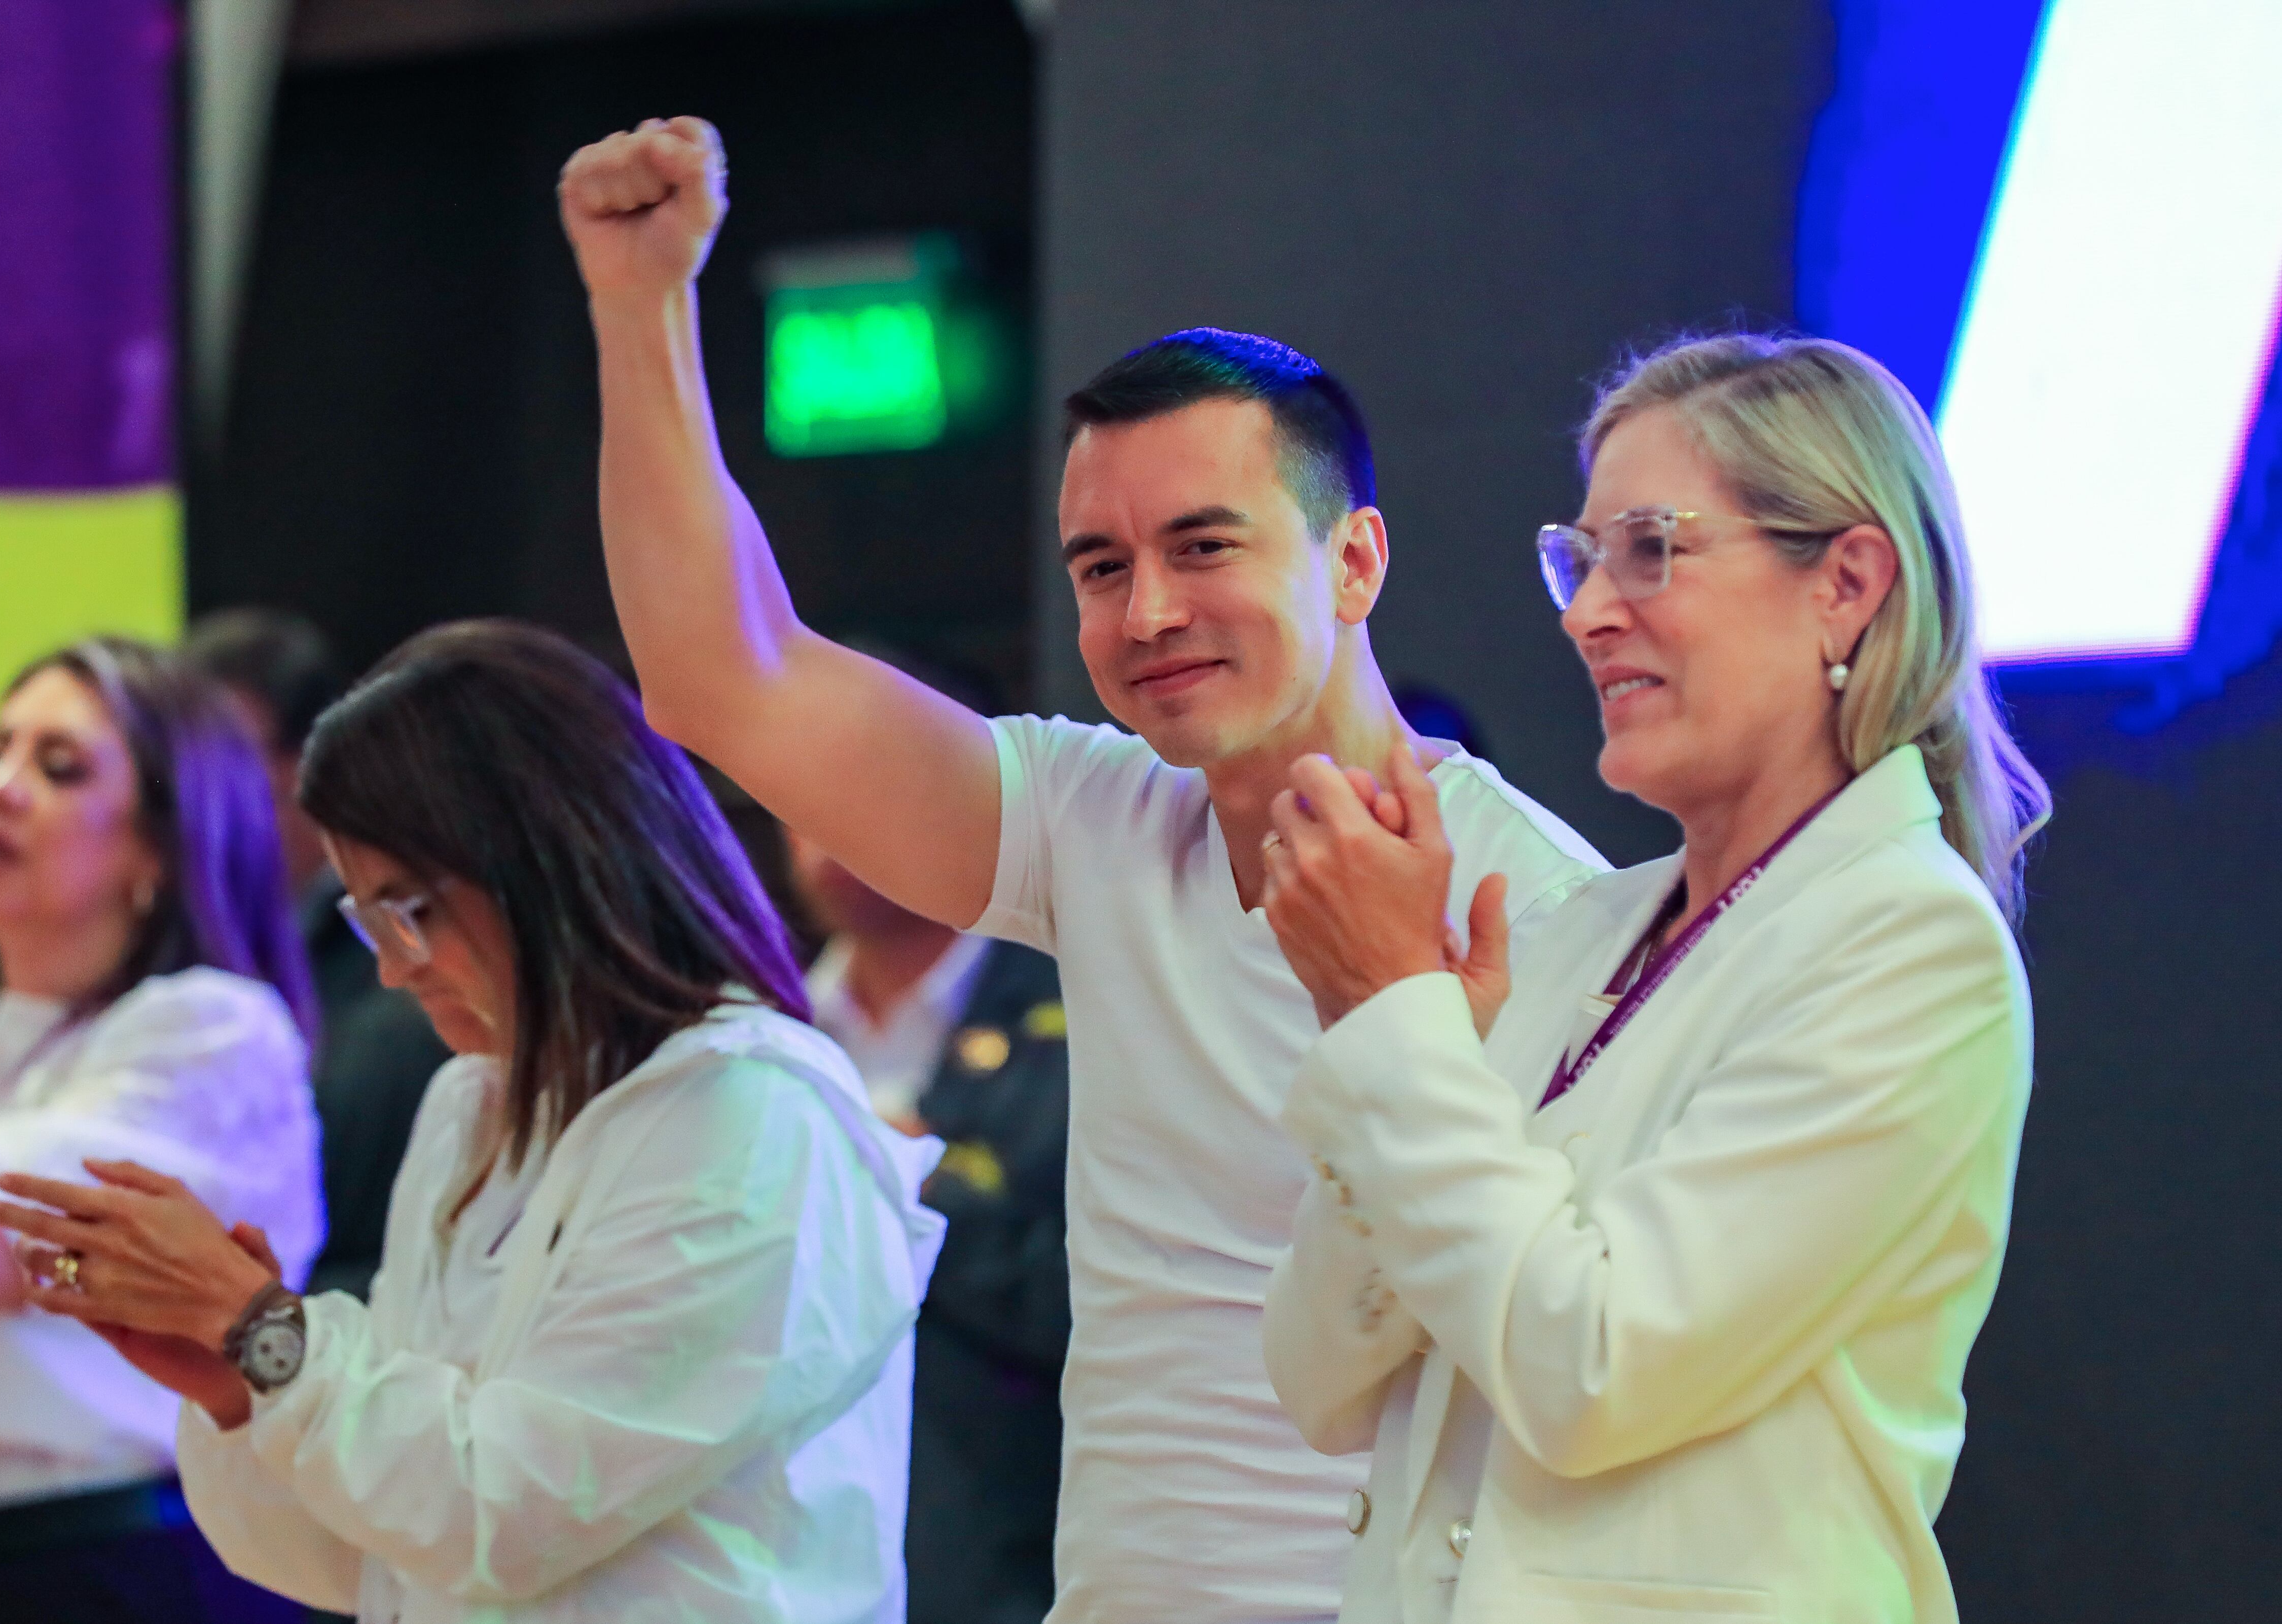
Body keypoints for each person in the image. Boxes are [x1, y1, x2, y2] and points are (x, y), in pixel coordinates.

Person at [554, 117, 1606, 1622]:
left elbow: (1594, 1358)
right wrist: (640, 301)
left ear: (1355, 560)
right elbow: (727, 676)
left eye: (1203, 545)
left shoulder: (1536, 898)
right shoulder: (1097, 813)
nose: (1148, 609)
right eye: (1102, 568)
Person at [1257, 334, 2046, 1621]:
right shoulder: (1578, 926)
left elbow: (1592, 1371)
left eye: (1650, 549)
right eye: (1579, 560)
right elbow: (1315, 1378)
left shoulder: (1914, 947)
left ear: (1843, 582)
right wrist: (1389, 1029)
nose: (1584, 610)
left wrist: (1397, 1022)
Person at [0, 621, 947, 1624]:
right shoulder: (472, 1103)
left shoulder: (751, 1114)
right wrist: (238, 1390)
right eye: (365, 922)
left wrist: (263, 1331)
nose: (394, 969)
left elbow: (505, 1513)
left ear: (548, 857)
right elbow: (380, 1558)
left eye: (411, 911)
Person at [0, 637, 322, 1624]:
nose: (2, 789)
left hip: (113, 1564)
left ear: (157, 844)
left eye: (58, 768)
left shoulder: (212, 1033)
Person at [790, 817, 1069, 1624]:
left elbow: (1104, 1295)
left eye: (844, 786)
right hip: (798, 1551)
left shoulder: (1077, 1001)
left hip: (1007, 1544)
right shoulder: (764, 1017)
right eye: (796, 794)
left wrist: (912, 1180)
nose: (821, 825)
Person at [185, 608, 449, 1301]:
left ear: (306, 766)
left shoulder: (406, 992)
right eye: (174, 769)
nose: (194, 799)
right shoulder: (165, 960)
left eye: (221, 763)